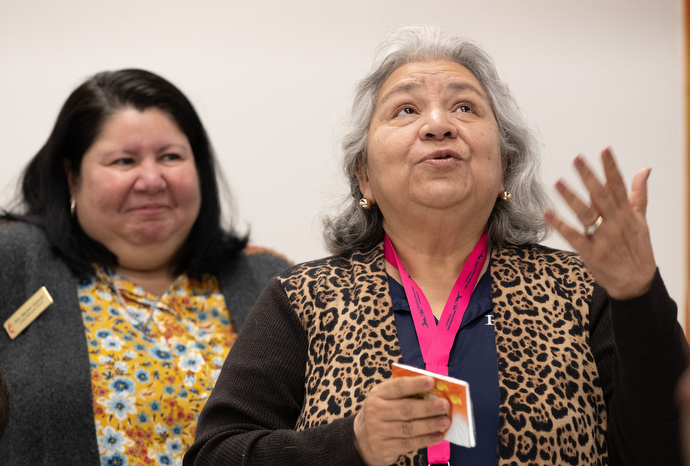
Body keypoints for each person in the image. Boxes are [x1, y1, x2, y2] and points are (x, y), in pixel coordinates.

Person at [184, 26, 688, 466]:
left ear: (505, 166)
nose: (438, 124)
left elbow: (666, 452)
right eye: (405, 109)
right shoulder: (302, 298)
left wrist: (638, 295)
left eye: (465, 106)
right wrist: (349, 445)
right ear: (365, 178)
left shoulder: (584, 290)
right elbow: (214, 455)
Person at [0, 69, 290, 466]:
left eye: (170, 157)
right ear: (71, 177)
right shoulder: (14, 260)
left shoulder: (270, 280)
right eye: (124, 161)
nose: (151, 179)